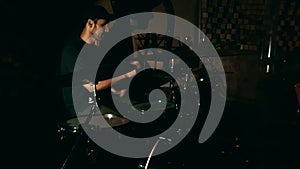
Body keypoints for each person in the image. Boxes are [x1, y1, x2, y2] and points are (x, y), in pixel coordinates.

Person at [59, 4, 137, 120]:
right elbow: (92, 86)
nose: (107, 29)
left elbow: (99, 77)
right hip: (80, 111)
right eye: (103, 25)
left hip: (97, 105)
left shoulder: (93, 50)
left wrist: (115, 90)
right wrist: (127, 75)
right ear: (90, 24)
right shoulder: (72, 51)